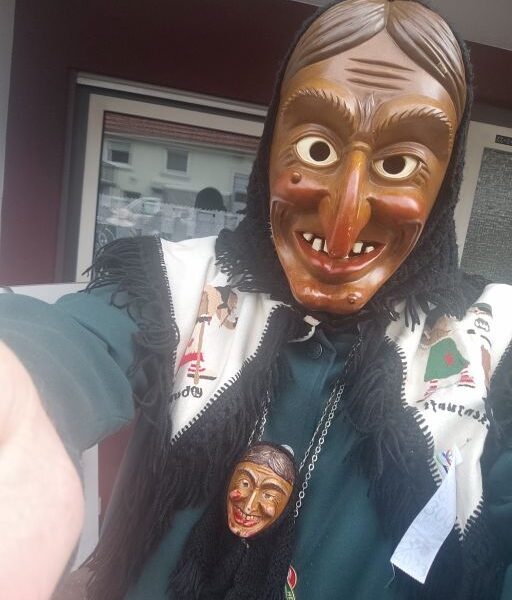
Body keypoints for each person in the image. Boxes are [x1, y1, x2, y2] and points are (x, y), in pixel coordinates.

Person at [2, 1, 512, 599]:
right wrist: (21, 398)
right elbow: (70, 343)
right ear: (273, 147)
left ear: (445, 183)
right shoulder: (177, 282)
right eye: (317, 150)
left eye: (399, 164)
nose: (345, 218)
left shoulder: (491, 339)